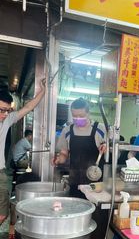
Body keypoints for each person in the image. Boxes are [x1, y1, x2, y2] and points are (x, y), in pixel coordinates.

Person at [0, 79, 46, 227]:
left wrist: (43, 91)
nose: (5, 114)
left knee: (3, 213)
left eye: (7, 110)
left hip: (1, 173)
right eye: (1, 110)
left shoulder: (6, 120)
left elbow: (28, 107)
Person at [53, 98, 106, 197]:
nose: (78, 119)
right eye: (74, 116)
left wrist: (107, 147)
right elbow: (64, 153)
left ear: (88, 113)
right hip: (75, 181)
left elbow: (111, 151)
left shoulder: (100, 129)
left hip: (96, 182)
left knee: (95, 210)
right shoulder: (67, 130)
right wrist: (58, 159)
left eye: (81, 116)